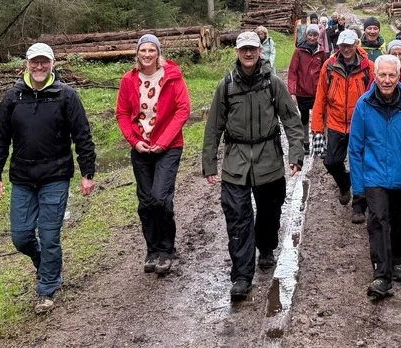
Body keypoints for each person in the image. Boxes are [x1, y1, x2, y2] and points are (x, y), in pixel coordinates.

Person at [0, 42, 96, 315]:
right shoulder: (13, 97)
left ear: (52, 64)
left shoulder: (65, 95)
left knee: (49, 236)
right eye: (34, 62)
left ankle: (46, 288)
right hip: (22, 177)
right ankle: (47, 264)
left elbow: (82, 134)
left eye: (44, 62)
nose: (39, 67)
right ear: (26, 64)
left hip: (55, 176)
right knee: (21, 237)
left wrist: (87, 172)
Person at [203, 32, 305, 301]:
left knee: (270, 212)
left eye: (252, 49)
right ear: (237, 52)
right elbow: (213, 127)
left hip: (269, 160)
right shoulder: (226, 86)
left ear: (260, 51)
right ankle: (241, 276)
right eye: (243, 49)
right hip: (236, 161)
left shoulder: (273, 83)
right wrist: (209, 163)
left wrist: (296, 154)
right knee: (238, 219)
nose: (248, 54)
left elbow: (292, 121)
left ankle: (267, 246)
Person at [350, 54, 401, 299]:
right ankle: (381, 275)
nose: (386, 80)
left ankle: (397, 258)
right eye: (382, 75)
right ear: (374, 76)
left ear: (399, 76)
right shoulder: (364, 105)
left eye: (392, 75)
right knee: (378, 221)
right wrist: (359, 188)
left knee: (399, 223)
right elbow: (355, 149)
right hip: (374, 177)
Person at [115, 34, 191, 277]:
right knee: (146, 203)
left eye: (151, 50)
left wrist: (163, 141)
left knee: (161, 198)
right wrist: (135, 142)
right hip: (141, 149)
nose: (147, 54)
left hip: (168, 148)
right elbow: (122, 114)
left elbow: (183, 110)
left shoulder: (173, 76)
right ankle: (152, 250)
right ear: (137, 53)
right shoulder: (129, 80)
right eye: (143, 50)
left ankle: (167, 250)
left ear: (159, 52)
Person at [311, 29, 374, 223]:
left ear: (357, 44)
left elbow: (374, 98)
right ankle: (344, 184)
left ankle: (359, 206)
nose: (346, 49)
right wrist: (317, 129)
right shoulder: (329, 67)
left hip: (360, 126)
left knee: (361, 166)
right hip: (336, 123)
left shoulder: (367, 67)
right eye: (342, 45)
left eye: (349, 45)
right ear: (338, 46)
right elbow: (320, 97)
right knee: (331, 162)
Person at [287, 24, 327, 155]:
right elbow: (293, 71)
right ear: (306, 35)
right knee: (303, 118)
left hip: (317, 92)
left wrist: (326, 89)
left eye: (315, 35)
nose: (312, 37)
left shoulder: (321, 52)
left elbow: (325, 71)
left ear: (318, 36)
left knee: (319, 117)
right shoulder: (299, 51)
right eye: (310, 34)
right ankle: (305, 142)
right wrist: (292, 91)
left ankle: (319, 143)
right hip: (302, 91)